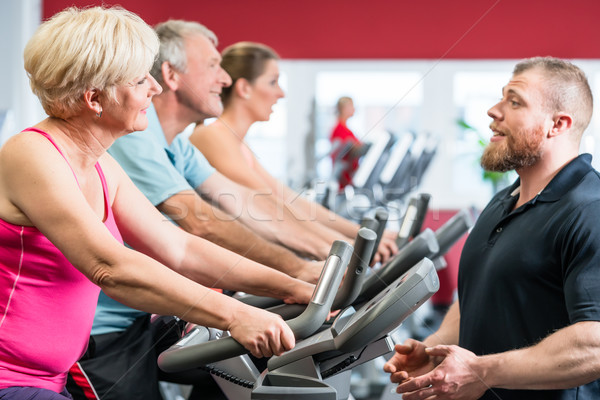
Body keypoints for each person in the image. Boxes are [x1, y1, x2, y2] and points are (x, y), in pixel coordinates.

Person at [0, 7, 313, 400]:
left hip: (49, 380)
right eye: (138, 79)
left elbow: (177, 247)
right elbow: (108, 266)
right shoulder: (31, 153)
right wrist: (236, 315)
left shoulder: (100, 164)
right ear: (94, 98)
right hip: (11, 382)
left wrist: (293, 286)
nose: (155, 87)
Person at [384, 57, 600, 399]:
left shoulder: (589, 210)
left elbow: (594, 344)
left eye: (515, 102)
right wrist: (436, 350)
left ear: (557, 124)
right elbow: (479, 295)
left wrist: (481, 372)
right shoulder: (503, 200)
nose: (493, 111)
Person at [189, 41, 398, 264]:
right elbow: (272, 205)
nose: (281, 93)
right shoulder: (212, 136)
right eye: (273, 82)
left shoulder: (238, 143)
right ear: (244, 89)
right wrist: (347, 246)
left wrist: (359, 235)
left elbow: (289, 200)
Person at [330, 96, 366, 189]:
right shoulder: (339, 129)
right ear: (344, 108)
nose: (354, 109)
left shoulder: (346, 129)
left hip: (351, 177)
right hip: (344, 180)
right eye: (351, 106)